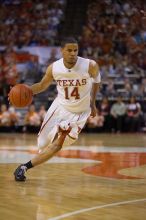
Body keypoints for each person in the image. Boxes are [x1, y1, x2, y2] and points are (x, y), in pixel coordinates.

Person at [13, 37, 101, 181]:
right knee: (42, 144)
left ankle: (24, 167)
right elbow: (41, 86)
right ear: (62, 51)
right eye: (69, 50)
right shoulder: (54, 68)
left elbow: (97, 81)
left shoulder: (90, 65)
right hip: (59, 106)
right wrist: (25, 90)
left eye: (75, 50)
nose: (73, 53)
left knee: (57, 144)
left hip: (79, 113)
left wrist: (93, 103)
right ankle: (35, 160)